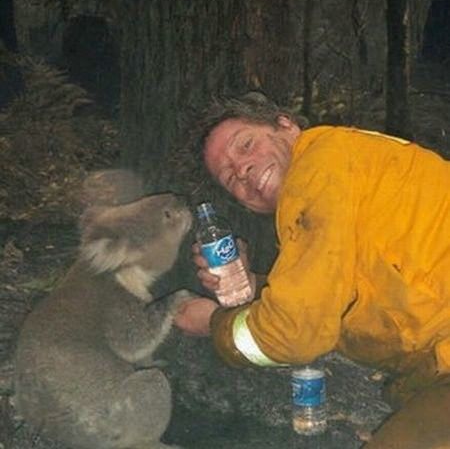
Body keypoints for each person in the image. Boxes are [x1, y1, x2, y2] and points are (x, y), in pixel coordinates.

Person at [174, 92, 450, 448]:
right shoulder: (350, 164)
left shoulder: (318, 161)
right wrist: (256, 284)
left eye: (245, 145)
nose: (242, 170)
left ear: (286, 126)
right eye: (230, 178)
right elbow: (340, 293)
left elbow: (296, 333)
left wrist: (213, 324)